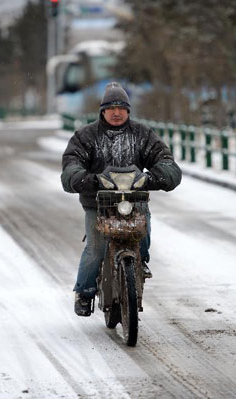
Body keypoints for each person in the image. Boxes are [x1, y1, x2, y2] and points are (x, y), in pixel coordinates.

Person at [61, 82, 182, 316]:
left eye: (122, 108)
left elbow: (166, 162)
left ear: (128, 111)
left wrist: (155, 177)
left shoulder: (142, 135)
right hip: (98, 204)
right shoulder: (85, 136)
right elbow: (70, 167)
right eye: (110, 108)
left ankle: (140, 261)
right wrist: (87, 180)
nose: (116, 113)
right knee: (95, 248)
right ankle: (84, 292)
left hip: (133, 201)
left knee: (141, 234)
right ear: (102, 111)